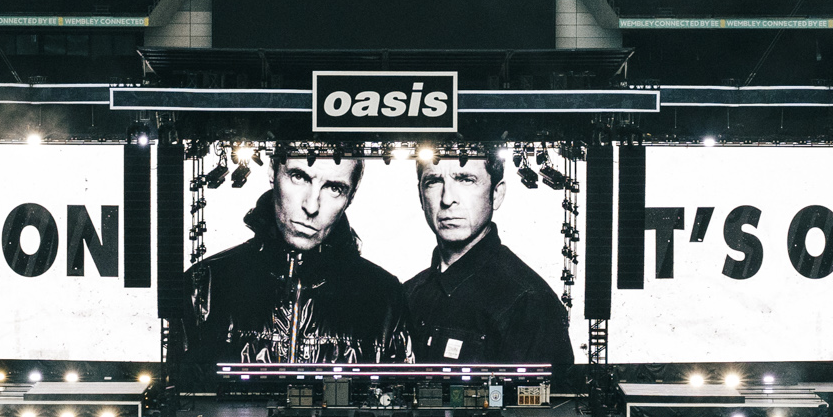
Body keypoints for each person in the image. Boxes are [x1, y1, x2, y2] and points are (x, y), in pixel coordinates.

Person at [186, 143, 406, 363]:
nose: (311, 206)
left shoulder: (385, 298)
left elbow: (405, 393)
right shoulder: (205, 283)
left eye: (334, 188)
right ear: (272, 171)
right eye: (299, 177)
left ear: (351, 196)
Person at [398, 148, 573, 366]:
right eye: (434, 181)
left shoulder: (529, 302)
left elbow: (542, 399)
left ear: (497, 194)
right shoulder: (408, 293)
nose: (447, 199)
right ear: (420, 195)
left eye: (465, 180)